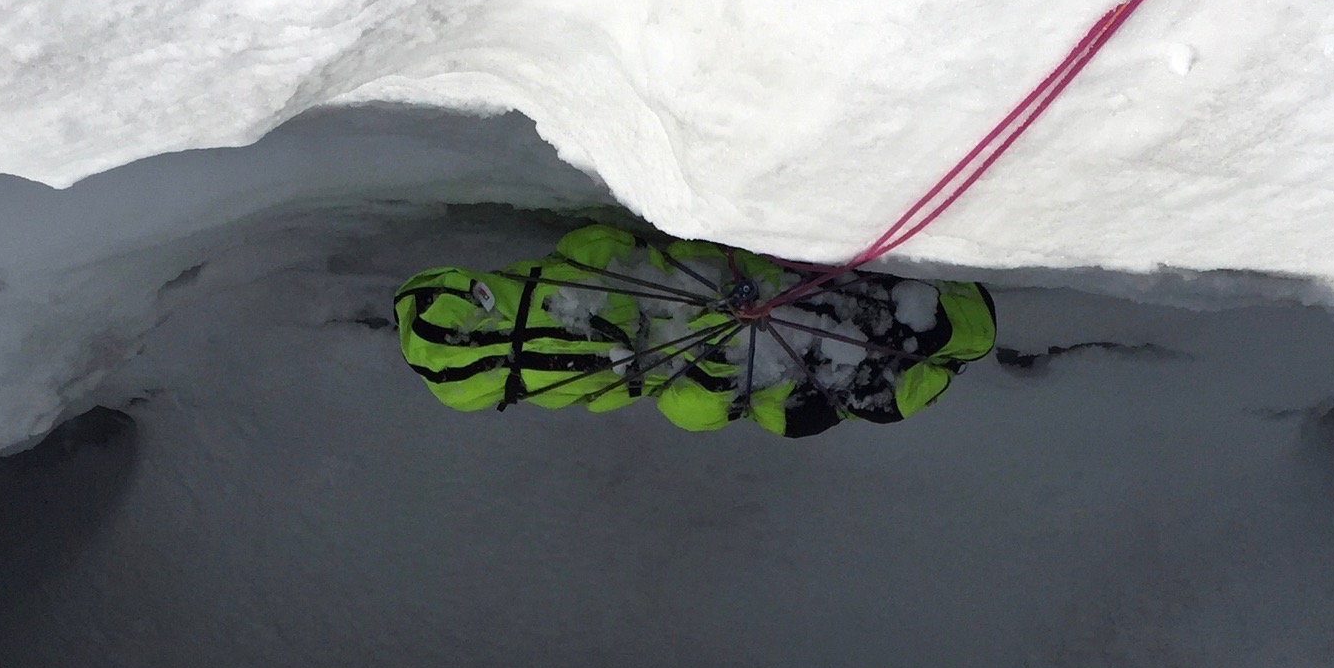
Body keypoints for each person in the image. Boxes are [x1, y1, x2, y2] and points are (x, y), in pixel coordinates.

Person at [394, 223, 995, 438]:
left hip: (715, 310)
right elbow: (603, 247)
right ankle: (928, 338)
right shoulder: (564, 274)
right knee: (705, 399)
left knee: (714, 393)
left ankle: (927, 334)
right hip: (714, 352)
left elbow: (612, 250)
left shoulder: (572, 279)